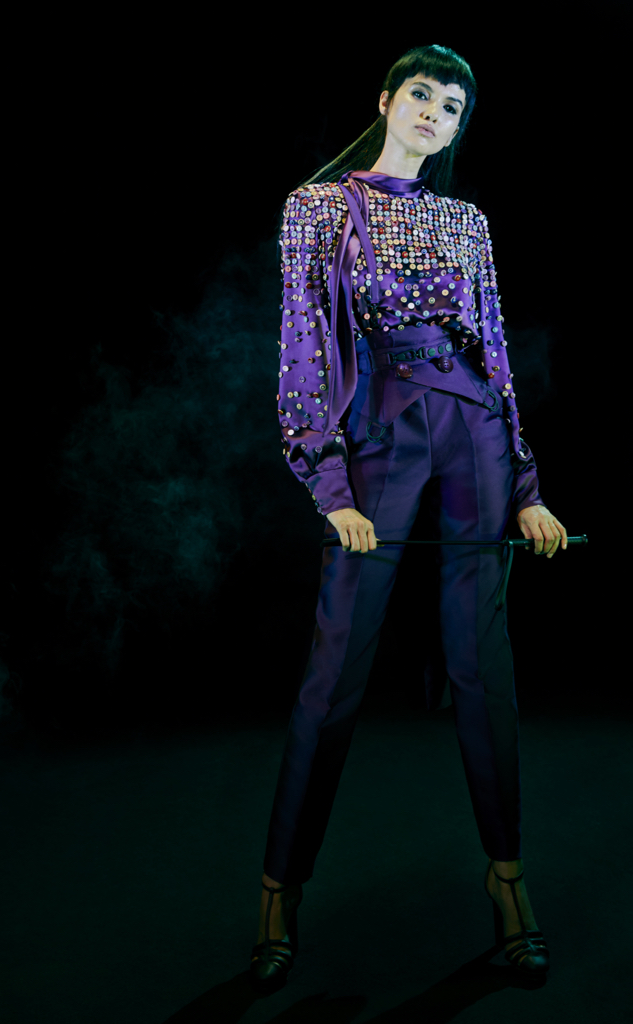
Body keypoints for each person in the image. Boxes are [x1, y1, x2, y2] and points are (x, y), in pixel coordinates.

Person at [249, 44, 566, 994]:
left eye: (453, 104)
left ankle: (506, 881)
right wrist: (329, 486)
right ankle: (277, 892)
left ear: (458, 127)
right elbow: (304, 342)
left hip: (472, 426)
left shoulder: (466, 221)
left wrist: (526, 488)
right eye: (422, 94)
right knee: (335, 667)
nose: (435, 111)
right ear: (386, 102)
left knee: (481, 663)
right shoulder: (317, 206)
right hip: (381, 430)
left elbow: (493, 349)